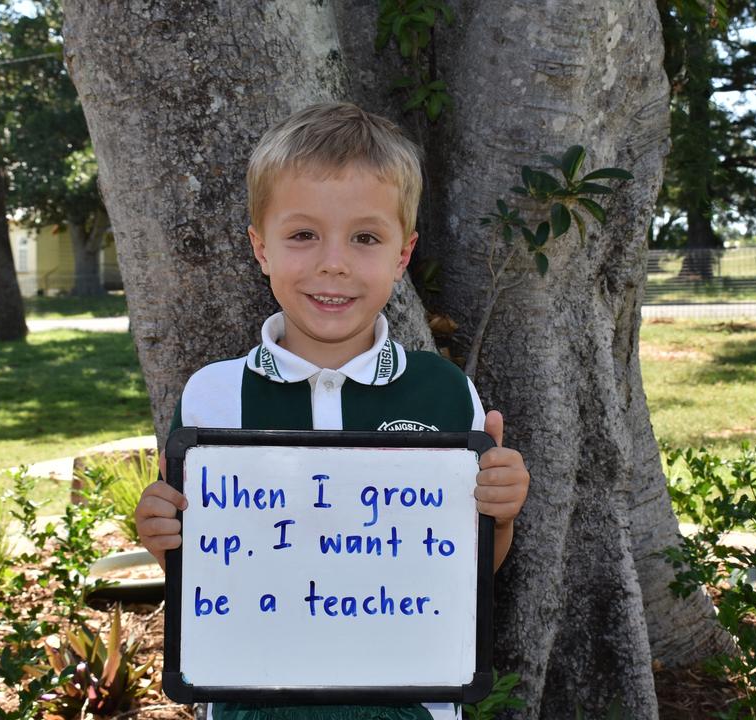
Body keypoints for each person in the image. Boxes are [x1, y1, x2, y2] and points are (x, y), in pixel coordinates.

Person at [134, 102, 531, 720]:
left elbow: (465, 575)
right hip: (251, 699)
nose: (334, 263)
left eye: (366, 238)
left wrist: (499, 518)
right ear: (260, 248)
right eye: (303, 235)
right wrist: (164, 535)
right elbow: (208, 570)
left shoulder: (446, 393)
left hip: (409, 700)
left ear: (403, 255)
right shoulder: (211, 397)